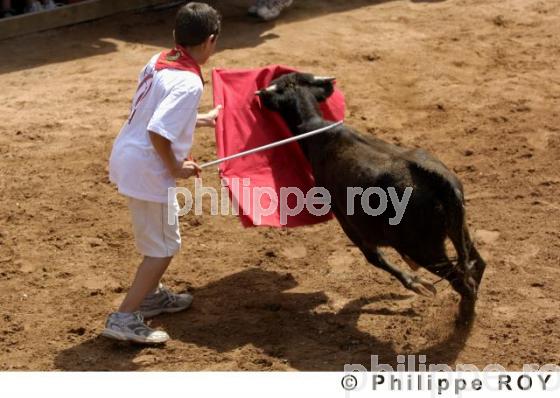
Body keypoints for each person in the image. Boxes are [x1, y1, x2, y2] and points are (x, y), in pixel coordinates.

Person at [102, 2, 222, 344]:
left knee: (155, 240)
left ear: (176, 36)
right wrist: (176, 167)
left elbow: (154, 111)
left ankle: (152, 297)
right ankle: (123, 317)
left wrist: (199, 118)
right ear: (211, 40)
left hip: (130, 156)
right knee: (163, 248)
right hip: (148, 168)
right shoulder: (190, 83)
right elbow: (158, 130)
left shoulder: (159, 60)